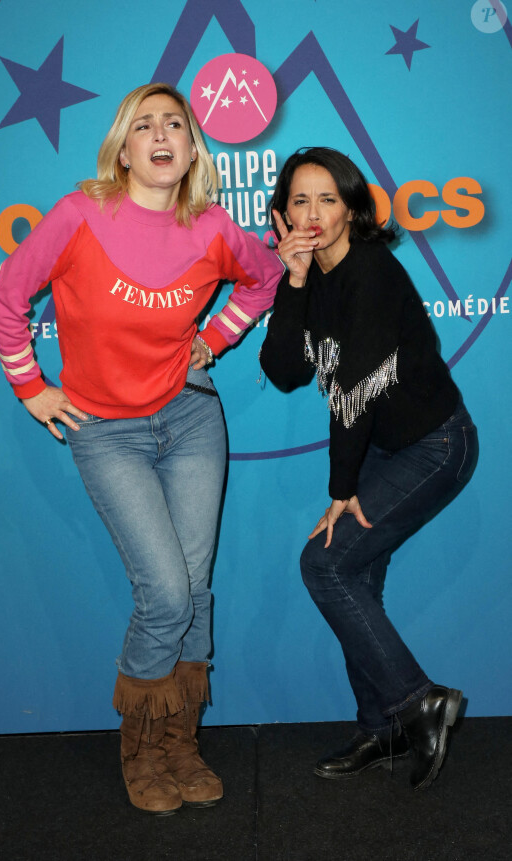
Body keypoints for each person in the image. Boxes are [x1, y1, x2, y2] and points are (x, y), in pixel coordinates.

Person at [0, 82, 284, 814]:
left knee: (197, 590)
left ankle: (182, 743)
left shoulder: (212, 226)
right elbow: (7, 297)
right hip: (105, 431)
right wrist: (31, 388)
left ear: (190, 147)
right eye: (143, 125)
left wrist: (212, 341)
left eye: (174, 124)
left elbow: (266, 276)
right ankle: (142, 748)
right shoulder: (80, 213)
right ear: (123, 149)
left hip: (191, 420)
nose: (160, 134)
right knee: (167, 594)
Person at [259, 147, 478, 791]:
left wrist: (340, 492)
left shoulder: (373, 273)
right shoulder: (315, 278)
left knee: (324, 564)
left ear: (353, 209)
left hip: (435, 446)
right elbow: (284, 370)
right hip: (386, 450)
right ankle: (382, 728)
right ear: (281, 214)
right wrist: (293, 281)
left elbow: (352, 397)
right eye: (300, 200)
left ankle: (418, 702)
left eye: (328, 199)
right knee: (352, 573)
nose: (314, 213)